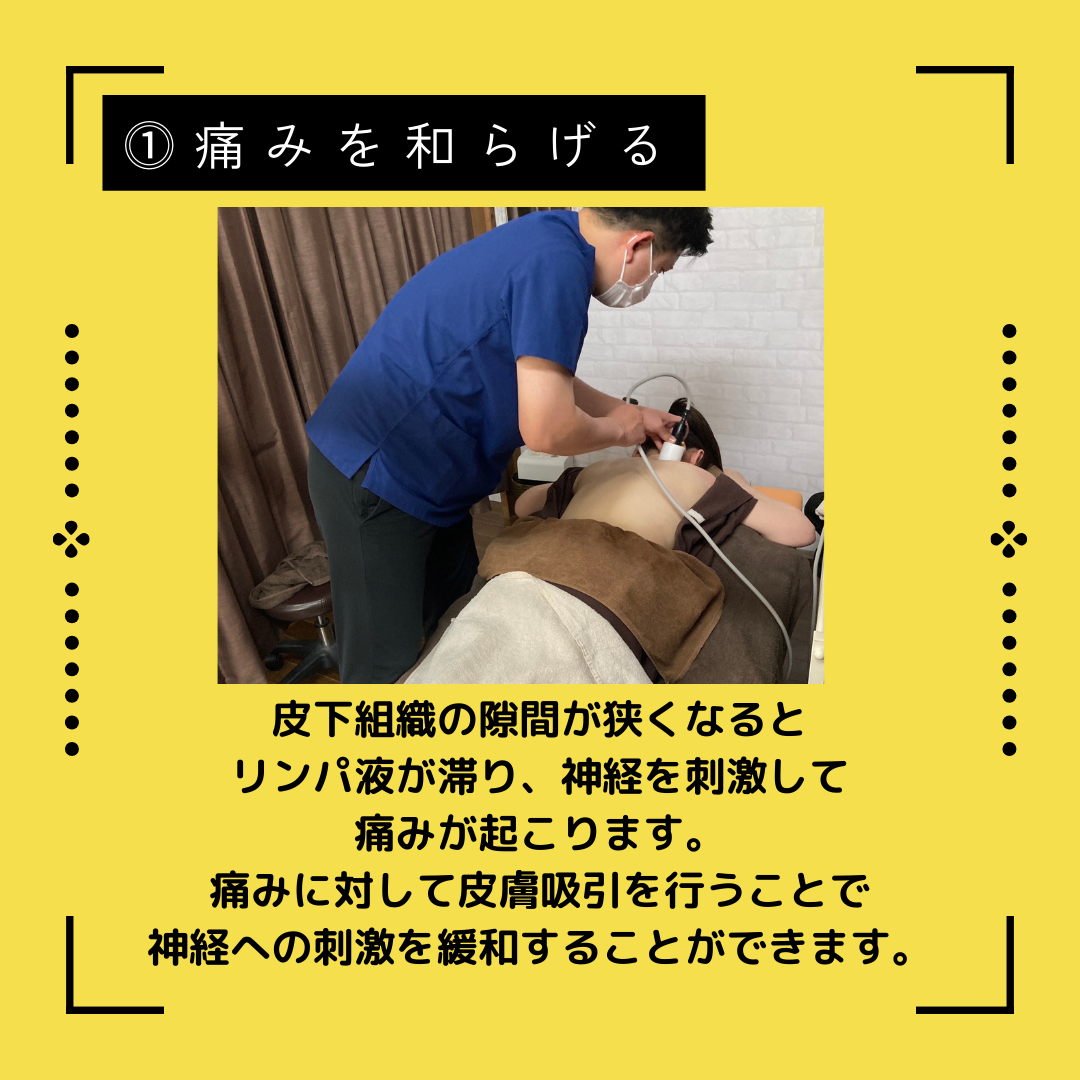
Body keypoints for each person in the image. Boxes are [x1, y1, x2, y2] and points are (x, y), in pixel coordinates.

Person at [306, 208, 714, 682]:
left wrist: (631, 416)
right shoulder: (557, 267)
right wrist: (618, 432)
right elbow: (546, 431)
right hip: (378, 470)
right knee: (382, 664)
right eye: (658, 270)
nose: (649, 283)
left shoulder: (547, 239)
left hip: (435, 476)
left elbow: (544, 374)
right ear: (637, 244)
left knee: (457, 621)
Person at [405, 402, 817, 685]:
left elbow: (528, 503)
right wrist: (736, 483)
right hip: (600, 585)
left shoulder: (601, 468)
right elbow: (801, 531)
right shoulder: (696, 477)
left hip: (523, 572)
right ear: (696, 456)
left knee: (466, 661)